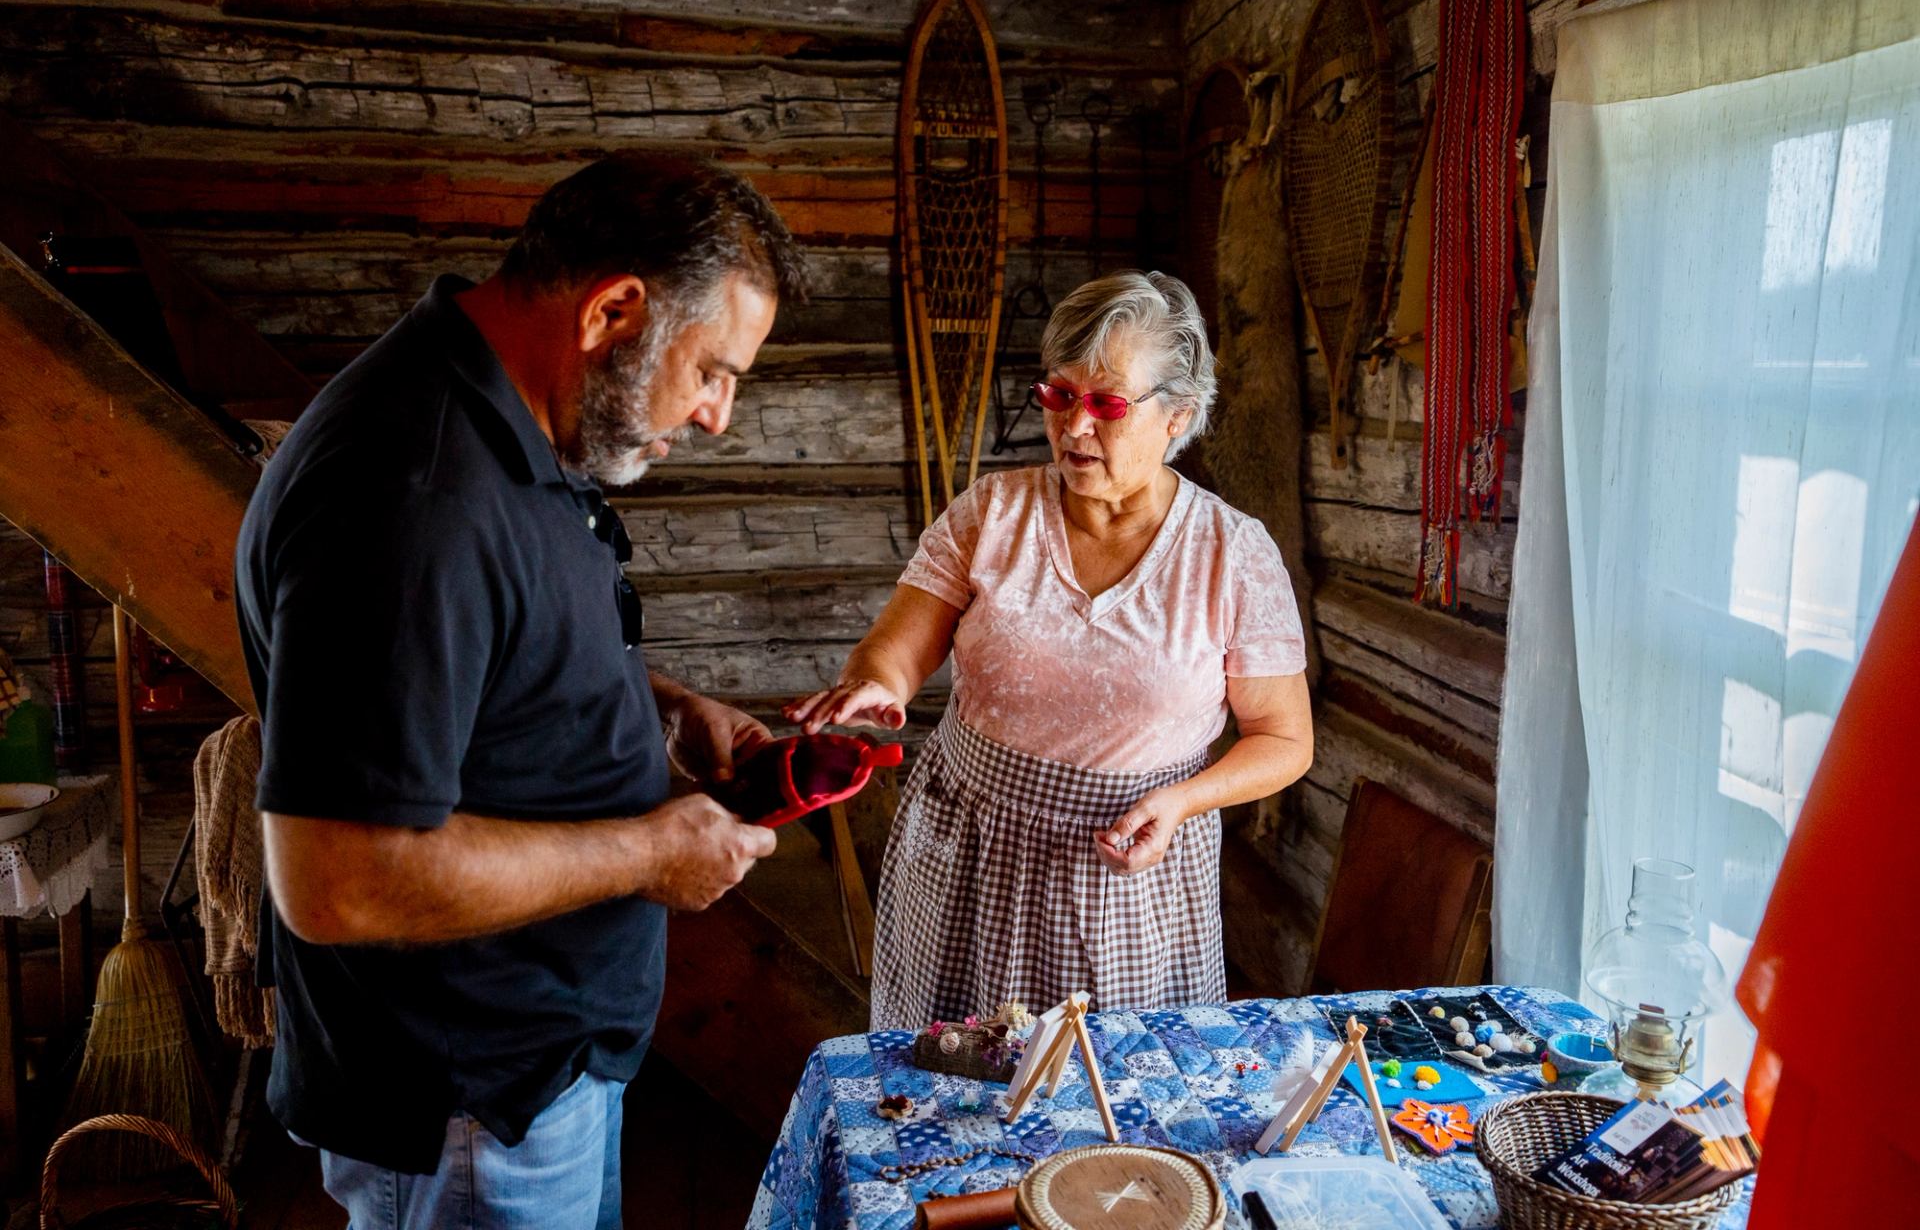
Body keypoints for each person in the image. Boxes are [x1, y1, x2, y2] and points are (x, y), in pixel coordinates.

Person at [235, 153, 807, 1229]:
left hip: (531, 1070)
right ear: (615, 310)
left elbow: (480, 654)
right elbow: (339, 880)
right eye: (712, 369)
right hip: (463, 1100)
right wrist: (652, 850)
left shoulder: (510, 420)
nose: (717, 413)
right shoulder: (413, 491)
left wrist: (653, 704)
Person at [789, 271, 1315, 1030]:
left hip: (1128, 870)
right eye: (1060, 396)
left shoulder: (1231, 552)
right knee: (953, 1088)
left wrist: (1182, 802)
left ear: (1179, 415)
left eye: (1106, 405)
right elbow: (895, 650)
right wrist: (877, 684)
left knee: (1111, 1105)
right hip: (969, 848)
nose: (1074, 429)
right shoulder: (992, 514)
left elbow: (1285, 739)